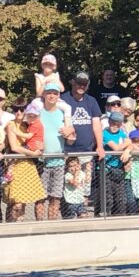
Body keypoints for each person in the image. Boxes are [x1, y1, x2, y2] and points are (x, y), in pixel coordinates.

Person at [61, 71, 104, 215]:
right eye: (79, 83)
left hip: (87, 152)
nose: (81, 86)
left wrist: (100, 146)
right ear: (73, 82)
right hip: (69, 152)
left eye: (84, 84)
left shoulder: (91, 101)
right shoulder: (63, 99)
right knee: (68, 185)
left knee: (84, 185)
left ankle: (82, 213)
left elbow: (96, 124)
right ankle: (67, 214)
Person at [39, 82, 76, 220]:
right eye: (49, 93)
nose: (52, 96)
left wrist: (70, 133)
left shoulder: (63, 114)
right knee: (40, 197)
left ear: (58, 96)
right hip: (41, 161)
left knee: (56, 197)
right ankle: (40, 227)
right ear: (44, 94)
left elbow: (72, 139)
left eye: (55, 93)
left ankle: (52, 225)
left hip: (59, 161)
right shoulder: (38, 112)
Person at [3, 102, 46, 221]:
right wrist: (33, 153)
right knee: (15, 201)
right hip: (14, 163)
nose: (18, 113)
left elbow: (38, 140)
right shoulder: (11, 125)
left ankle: (20, 223)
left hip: (27, 164)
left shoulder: (28, 125)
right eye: (16, 110)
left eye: (21, 110)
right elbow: (14, 147)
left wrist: (41, 146)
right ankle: (10, 224)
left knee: (24, 199)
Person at [102, 110, 129, 215]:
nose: (115, 126)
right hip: (106, 169)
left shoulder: (121, 133)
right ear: (109, 122)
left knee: (120, 197)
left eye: (118, 124)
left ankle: (120, 217)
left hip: (118, 168)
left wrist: (127, 150)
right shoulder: (104, 133)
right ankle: (105, 216)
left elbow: (130, 144)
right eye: (113, 123)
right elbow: (116, 148)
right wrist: (127, 143)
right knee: (108, 198)